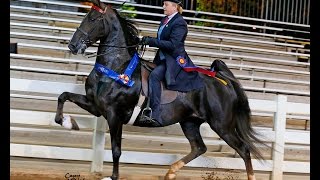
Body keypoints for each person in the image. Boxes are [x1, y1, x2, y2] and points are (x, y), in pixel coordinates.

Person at [138, 0, 204, 127]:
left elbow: (173, 45)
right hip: (162, 58)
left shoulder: (180, 23)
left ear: (175, 7)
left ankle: (154, 113)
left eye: (166, 4)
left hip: (173, 60)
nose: (163, 7)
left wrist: (151, 41)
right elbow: (161, 40)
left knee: (155, 76)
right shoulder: (165, 20)